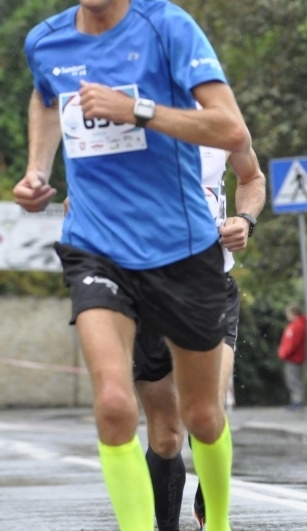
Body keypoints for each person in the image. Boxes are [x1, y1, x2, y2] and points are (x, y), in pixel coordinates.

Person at [15, 1, 258, 529]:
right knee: (114, 404)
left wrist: (136, 110)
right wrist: (37, 168)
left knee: (202, 416)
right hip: (95, 245)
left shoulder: (167, 27)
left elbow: (233, 132)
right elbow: (45, 97)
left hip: (181, 247)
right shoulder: (46, 40)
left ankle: (217, 523)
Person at [134, 141, 265, 531]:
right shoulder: (126, 120)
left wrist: (245, 219)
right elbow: (88, 193)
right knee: (167, 434)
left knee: (207, 413)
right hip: (145, 293)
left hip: (210, 288)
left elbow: (252, 177)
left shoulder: (220, 118)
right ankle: (166, 525)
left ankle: (213, 514)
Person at [277, 302, 307, 410]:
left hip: (293, 357)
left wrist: (284, 353)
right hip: (293, 357)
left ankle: (298, 401)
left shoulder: (297, 326)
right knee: (292, 379)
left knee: (293, 380)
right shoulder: (297, 325)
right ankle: (296, 400)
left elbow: (292, 343)